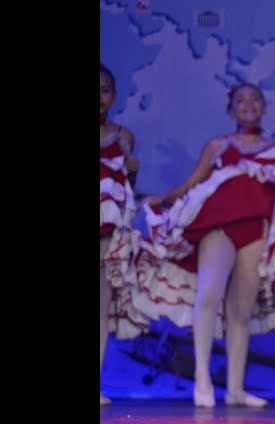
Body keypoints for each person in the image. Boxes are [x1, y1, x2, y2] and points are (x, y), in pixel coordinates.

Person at [136, 83, 275, 407]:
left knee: (241, 309)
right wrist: (164, 199)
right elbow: (192, 183)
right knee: (209, 293)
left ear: (264, 107)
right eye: (240, 100)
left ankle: (236, 389)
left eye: (255, 99)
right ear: (230, 109)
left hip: (256, 229)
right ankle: (202, 379)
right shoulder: (218, 145)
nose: (248, 105)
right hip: (219, 225)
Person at [100, 63, 148, 405]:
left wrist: (132, 175)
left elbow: (125, 191)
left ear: (113, 96)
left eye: (104, 89)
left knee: (101, 306)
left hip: (107, 228)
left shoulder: (123, 136)